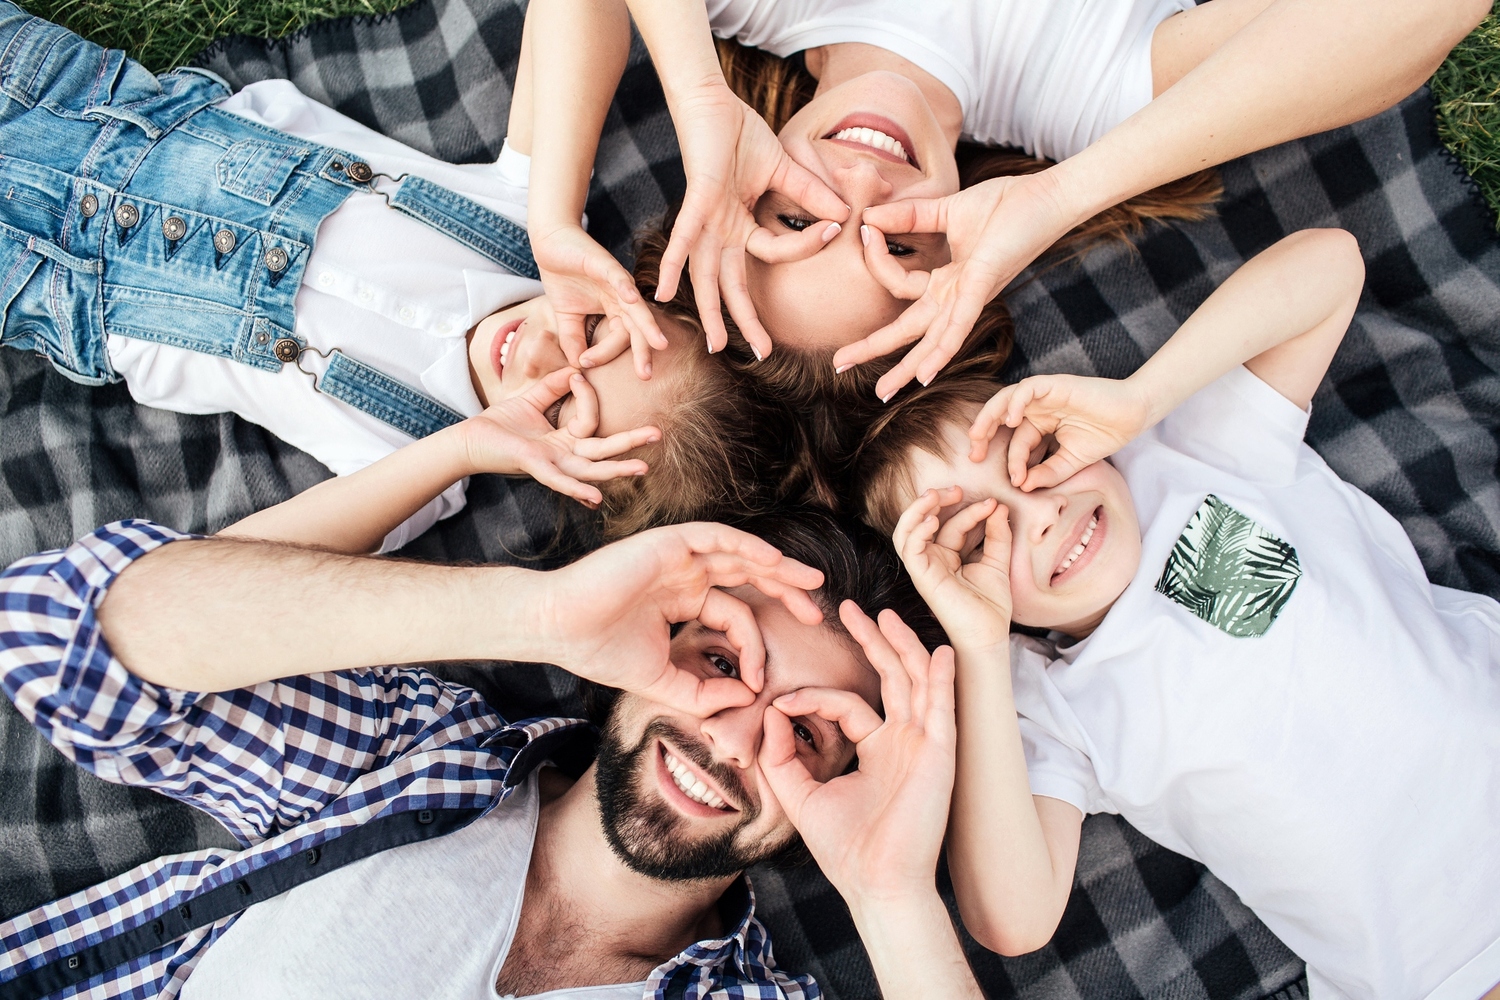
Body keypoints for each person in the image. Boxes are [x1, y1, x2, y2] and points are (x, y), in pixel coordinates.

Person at [0, 491, 990, 998]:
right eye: (722, 661)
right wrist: (542, 614)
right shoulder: (410, 750)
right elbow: (56, 640)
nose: (732, 734)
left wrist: (889, 892)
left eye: (808, 731)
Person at [852, 228, 1500, 999]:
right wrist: (983, 647)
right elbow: (1012, 920)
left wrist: (1141, 398)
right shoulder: (1046, 703)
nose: (1042, 515)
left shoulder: (1187, 456)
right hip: (1443, 966)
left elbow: (1332, 264)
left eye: (1029, 459)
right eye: (981, 537)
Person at [0, 1, 791, 552]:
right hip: (85, 108)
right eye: (607, 337)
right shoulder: (528, 226)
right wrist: (554, 217)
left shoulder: (418, 469)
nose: (554, 358)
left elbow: (239, 563)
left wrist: (459, 453)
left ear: (567, 476)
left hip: (43, 281)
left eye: (569, 411)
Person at [530, 0, 1486, 400]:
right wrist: (1067, 193)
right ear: (958, 258)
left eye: (795, 217)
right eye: (898, 248)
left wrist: (689, 97)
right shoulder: (1084, 98)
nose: (860, 188)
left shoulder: (750, 13)